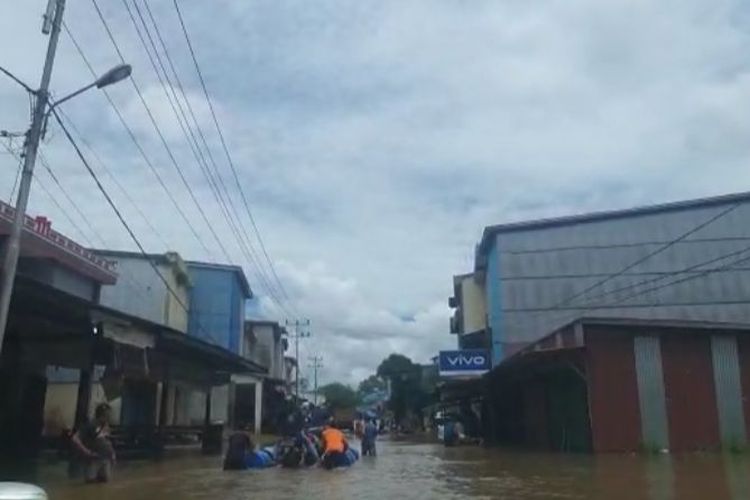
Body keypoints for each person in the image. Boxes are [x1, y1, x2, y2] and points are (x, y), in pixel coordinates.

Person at [70, 402, 116, 483]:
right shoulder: (90, 425)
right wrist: (86, 451)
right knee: (91, 483)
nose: (109, 417)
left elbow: (107, 440)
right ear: (102, 415)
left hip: (106, 458)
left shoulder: (105, 425)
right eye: (107, 415)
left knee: (104, 483)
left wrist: (112, 454)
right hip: (93, 459)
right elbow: (75, 438)